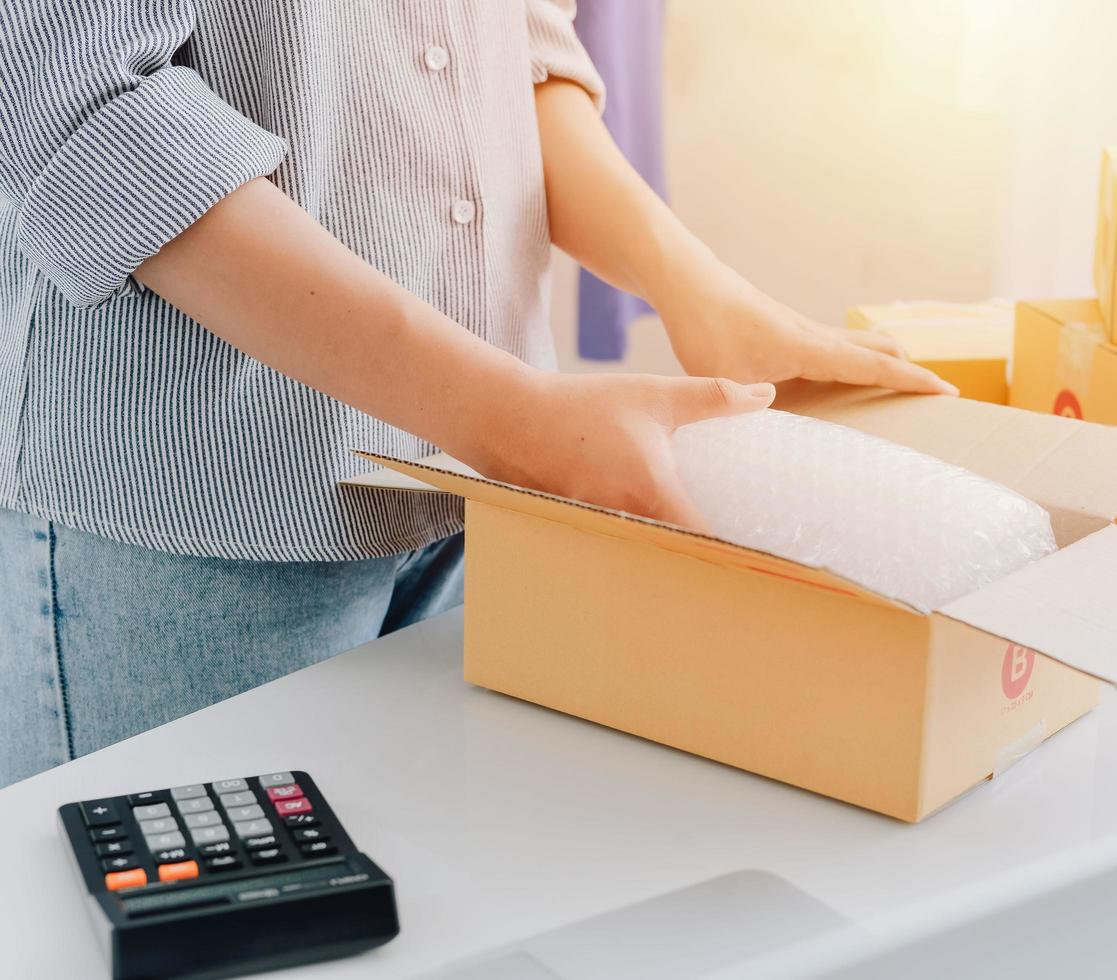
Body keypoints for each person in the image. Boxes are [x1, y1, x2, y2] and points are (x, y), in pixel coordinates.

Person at [0, 1, 953, 787]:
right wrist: (512, 421)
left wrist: (697, 290)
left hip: (471, 496)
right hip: (203, 510)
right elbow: (93, 120)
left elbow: (525, 49)